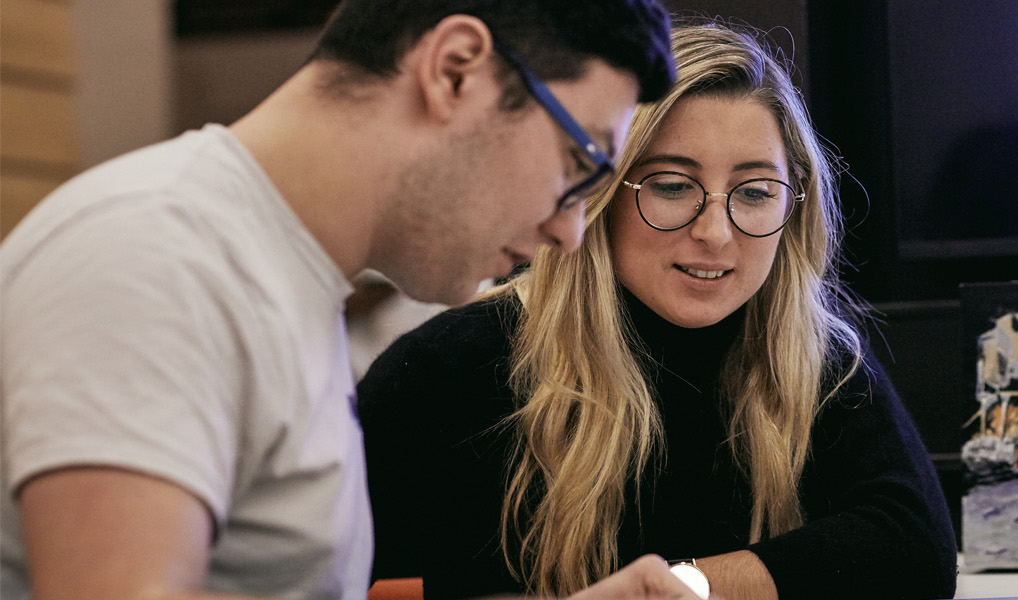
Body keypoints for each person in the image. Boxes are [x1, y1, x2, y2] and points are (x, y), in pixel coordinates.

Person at [0, 1, 700, 599]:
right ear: (455, 70)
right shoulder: (156, 256)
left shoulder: (275, 272)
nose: (570, 231)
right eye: (578, 164)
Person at [357, 22, 958, 600]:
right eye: (671, 186)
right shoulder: (448, 369)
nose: (716, 234)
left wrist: (688, 587)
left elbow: (915, 550)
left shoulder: (814, 356)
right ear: (602, 195)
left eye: (754, 193)